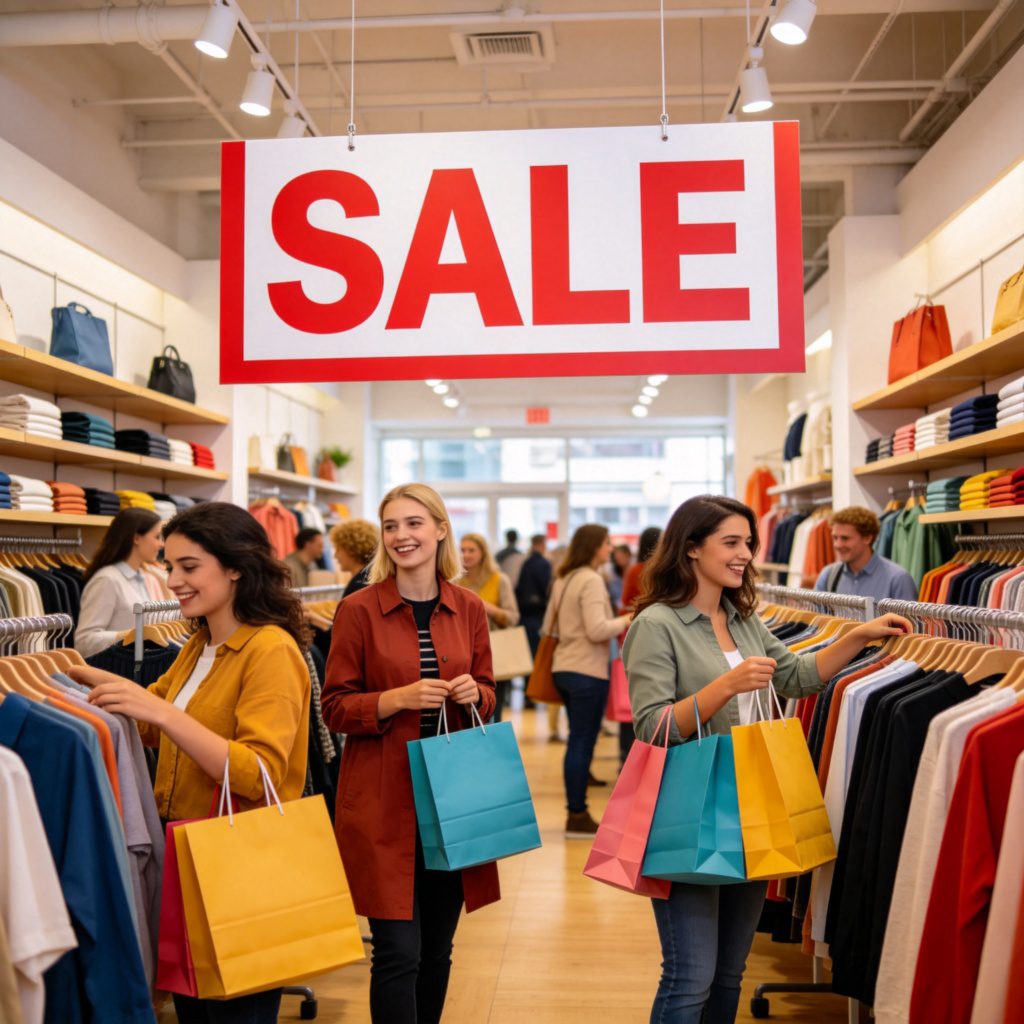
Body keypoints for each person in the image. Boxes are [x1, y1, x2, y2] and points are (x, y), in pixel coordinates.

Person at [623, 494, 912, 1024]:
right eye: (731, 543)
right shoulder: (656, 625)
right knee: (690, 976)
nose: (745, 554)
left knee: (731, 973)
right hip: (690, 809)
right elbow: (651, 729)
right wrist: (723, 687)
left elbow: (796, 677)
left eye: (748, 543)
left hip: (753, 803)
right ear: (690, 550)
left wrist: (857, 637)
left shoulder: (742, 619)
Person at [70, 502, 312, 1024]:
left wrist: (162, 713)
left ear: (235, 568)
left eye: (188, 566)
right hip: (183, 855)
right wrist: (68, 681)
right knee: (193, 1007)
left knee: (234, 1010)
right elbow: (149, 723)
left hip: (238, 859)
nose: (173, 580)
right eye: (168, 564)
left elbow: (260, 773)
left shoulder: (270, 650)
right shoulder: (198, 643)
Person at [321, 483, 498, 1024]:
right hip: (382, 798)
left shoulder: (468, 607)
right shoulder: (357, 610)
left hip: (452, 801)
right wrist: (395, 699)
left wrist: (476, 695)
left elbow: (490, 693)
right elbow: (333, 708)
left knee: (437, 950)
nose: (402, 536)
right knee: (397, 950)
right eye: (391, 526)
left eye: (414, 523)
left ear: (440, 530)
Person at [542, 523, 632, 838]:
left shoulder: (563, 578)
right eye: (607, 543)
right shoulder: (592, 580)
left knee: (578, 741)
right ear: (595, 546)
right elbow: (597, 630)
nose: (610, 549)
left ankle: (577, 808)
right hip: (586, 670)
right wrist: (628, 619)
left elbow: (549, 628)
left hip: (564, 666)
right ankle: (576, 815)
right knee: (581, 741)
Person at [75, 508, 164, 658]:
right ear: (136, 538)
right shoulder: (107, 580)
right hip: (116, 671)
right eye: (157, 537)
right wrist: (133, 636)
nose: (161, 544)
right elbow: (84, 641)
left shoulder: (145, 578)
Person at [456, 532, 521, 721]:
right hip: (461, 654)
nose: (465, 554)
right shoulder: (453, 579)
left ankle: (489, 749)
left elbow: (513, 617)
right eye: (462, 550)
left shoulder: (499, 580)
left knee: (491, 711)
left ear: (483, 553)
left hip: (493, 654)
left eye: (471, 550)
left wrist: (487, 608)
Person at [615, 525, 663, 766]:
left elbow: (625, 603)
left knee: (630, 697)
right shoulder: (666, 570)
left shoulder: (635, 570)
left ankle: (626, 755)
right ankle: (650, 754)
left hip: (633, 634)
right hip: (663, 636)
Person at [814, 506, 918, 601]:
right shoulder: (828, 575)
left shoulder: (897, 579)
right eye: (835, 538)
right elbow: (816, 619)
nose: (838, 545)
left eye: (845, 538)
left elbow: (908, 621)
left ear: (867, 538)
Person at [329, 518, 380, 597]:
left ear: (351, 548)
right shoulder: (368, 578)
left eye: (338, 550)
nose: (335, 556)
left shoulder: (360, 585)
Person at [607, 542, 632, 608]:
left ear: (628, 554)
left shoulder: (634, 571)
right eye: (617, 558)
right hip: (621, 608)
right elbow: (615, 598)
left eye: (622, 556)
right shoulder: (614, 576)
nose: (619, 559)